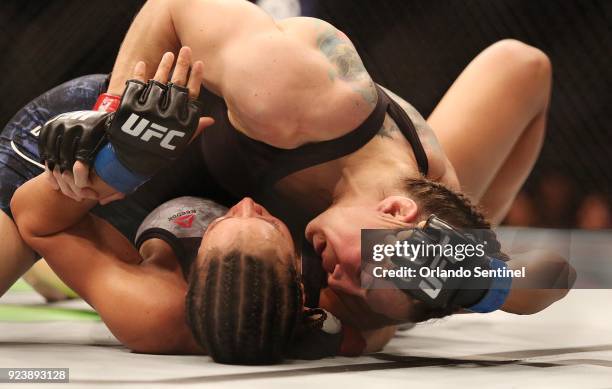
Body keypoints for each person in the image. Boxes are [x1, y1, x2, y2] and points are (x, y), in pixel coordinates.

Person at [10, 0, 574, 329]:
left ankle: (80, 258)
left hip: (184, 216)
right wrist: (111, 115)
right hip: (120, 141)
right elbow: (172, 5)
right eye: (365, 269)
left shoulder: (398, 263)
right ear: (396, 208)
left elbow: (552, 277)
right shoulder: (296, 101)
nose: (341, 282)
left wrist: (465, 278)